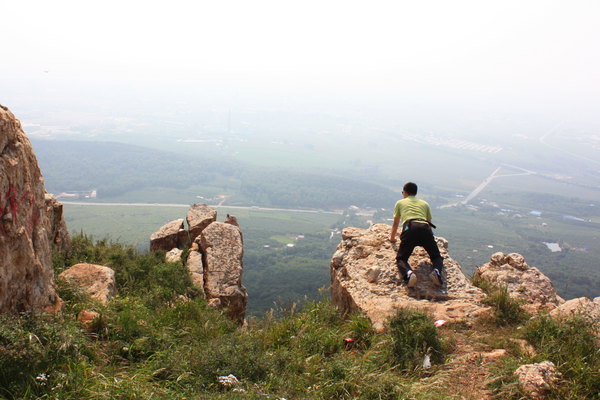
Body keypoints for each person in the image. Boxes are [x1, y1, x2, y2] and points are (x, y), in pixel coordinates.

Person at [389, 182, 444, 288]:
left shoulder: (400, 202)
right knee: (436, 256)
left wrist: (392, 239)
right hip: (425, 228)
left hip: (410, 227)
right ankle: (436, 271)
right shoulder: (424, 204)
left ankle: (409, 274)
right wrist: (428, 241)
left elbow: (395, 223)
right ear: (415, 193)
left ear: (404, 193)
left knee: (401, 258)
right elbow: (429, 223)